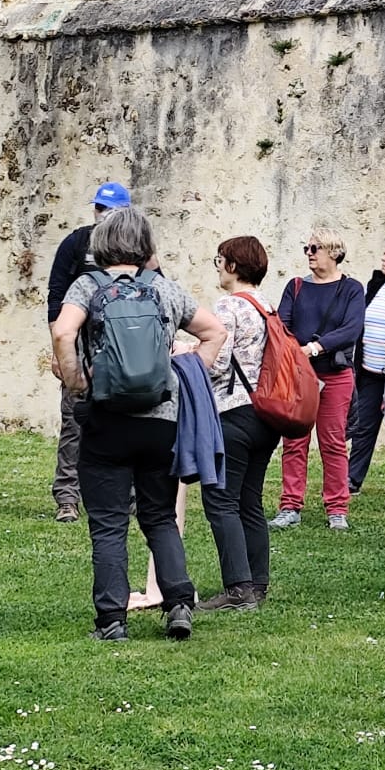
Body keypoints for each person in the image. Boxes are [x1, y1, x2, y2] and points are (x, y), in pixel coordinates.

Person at [50, 207, 226, 641]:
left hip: (107, 419)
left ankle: (112, 620)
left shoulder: (88, 285)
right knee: (160, 515)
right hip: (160, 422)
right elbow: (215, 332)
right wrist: (185, 376)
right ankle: (179, 604)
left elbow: (62, 332)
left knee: (109, 523)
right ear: (146, 244)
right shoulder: (163, 288)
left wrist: (77, 381)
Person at [197, 236, 278, 610]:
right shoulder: (266, 306)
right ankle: (257, 583)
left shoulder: (228, 306)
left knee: (221, 499)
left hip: (232, 411)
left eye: (220, 260)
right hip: (266, 414)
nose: (217, 267)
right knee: (249, 499)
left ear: (233, 265)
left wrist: (187, 354)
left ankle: (238, 588)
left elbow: (217, 363)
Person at [46, 181, 134, 522]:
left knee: (127, 421)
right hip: (80, 347)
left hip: (126, 349)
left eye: (111, 210)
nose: (104, 215)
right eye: (100, 208)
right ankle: (67, 497)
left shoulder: (138, 248)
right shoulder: (76, 243)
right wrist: (59, 350)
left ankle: (128, 494)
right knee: (74, 421)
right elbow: (56, 297)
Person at [270, 229, 365, 532]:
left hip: (335, 375)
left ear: (334, 252)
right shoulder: (296, 286)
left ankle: (337, 509)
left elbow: (352, 329)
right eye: (307, 248)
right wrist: (293, 353)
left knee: (333, 442)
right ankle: (289, 506)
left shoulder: (351, 289)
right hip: (300, 375)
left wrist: (314, 347)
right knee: (294, 441)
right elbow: (282, 325)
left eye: (316, 248)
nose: (309, 253)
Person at [346, 234, 385, 498]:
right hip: (369, 371)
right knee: (363, 425)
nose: (383, 259)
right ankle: (352, 478)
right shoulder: (376, 285)